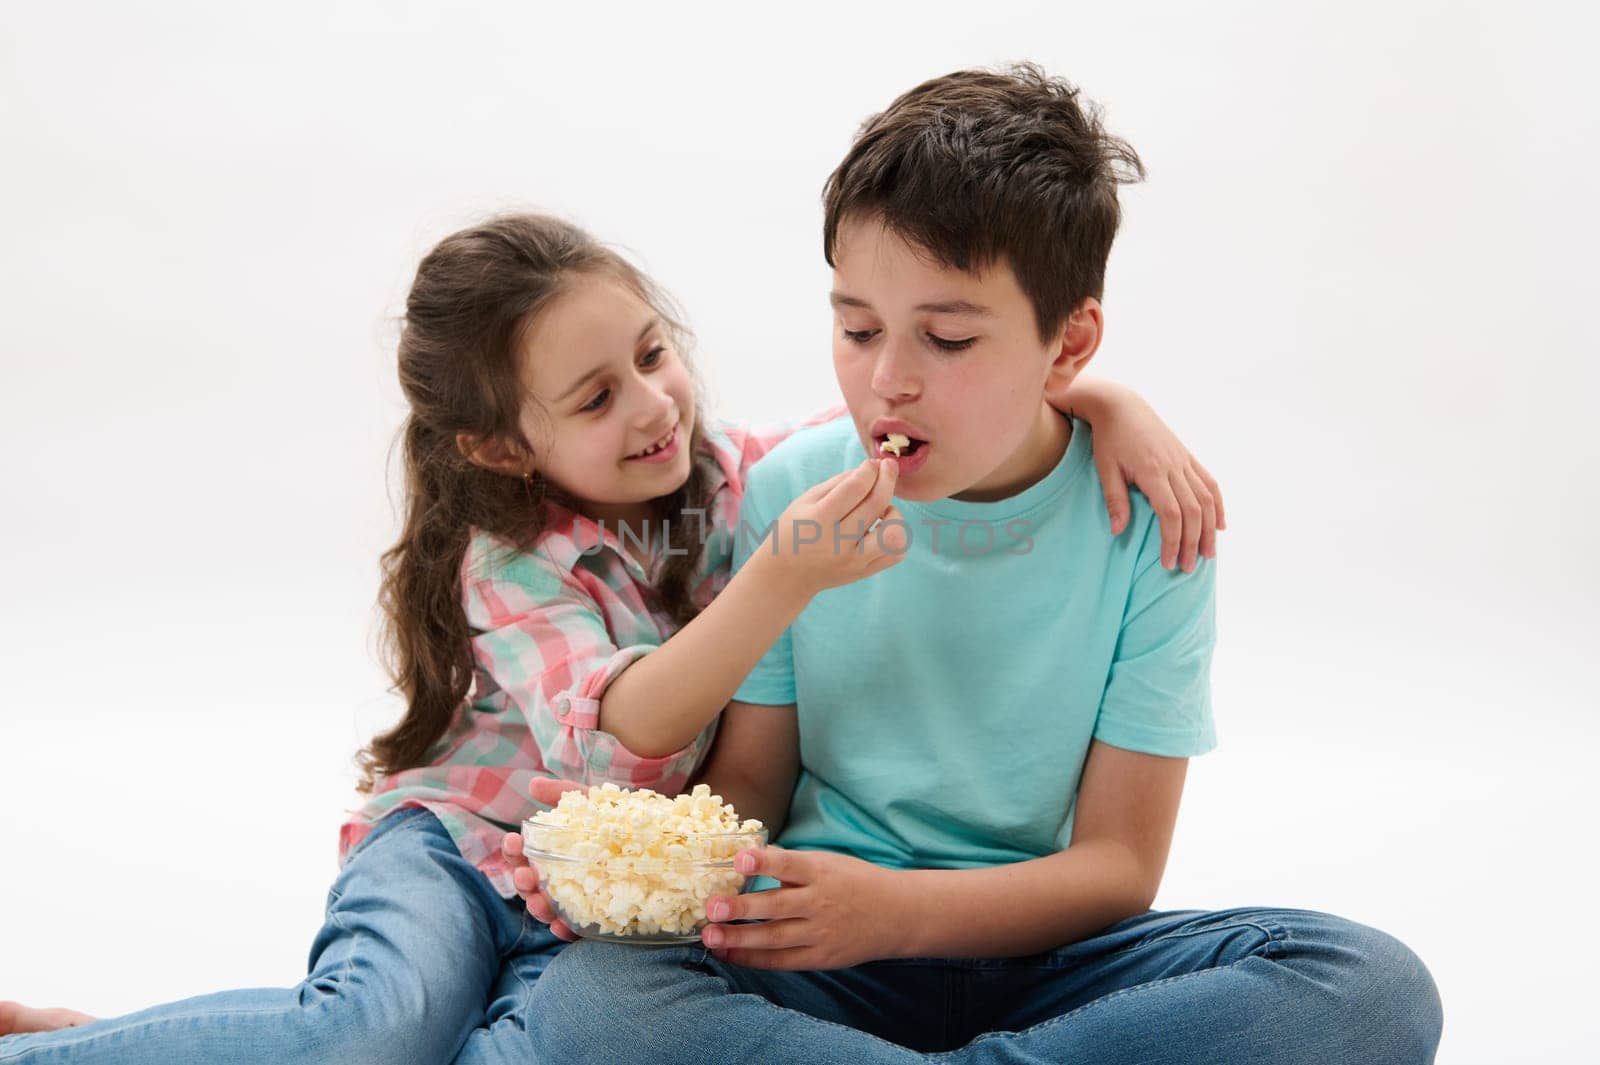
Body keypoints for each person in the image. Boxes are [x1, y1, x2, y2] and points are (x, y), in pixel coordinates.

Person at [0, 209, 1221, 1063]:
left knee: (484, 1036)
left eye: (654, 355)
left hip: (591, 905)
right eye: (595, 397)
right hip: (463, 853)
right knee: (365, 1034)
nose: (654, 407)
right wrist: (779, 586)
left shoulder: (736, 473)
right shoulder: (515, 555)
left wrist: (1105, 400)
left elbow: (934, 414)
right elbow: (617, 737)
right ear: (498, 445)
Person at [512, 64, 1445, 1064]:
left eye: (947, 338)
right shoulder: (790, 496)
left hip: (1051, 962)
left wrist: (901, 914)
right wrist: (631, 853)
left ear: (1069, 343)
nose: (886, 382)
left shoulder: (1147, 525)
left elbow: (1119, 868)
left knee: (1370, 988)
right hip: (819, 949)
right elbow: (751, 788)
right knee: (591, 1002)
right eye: (856, 328)